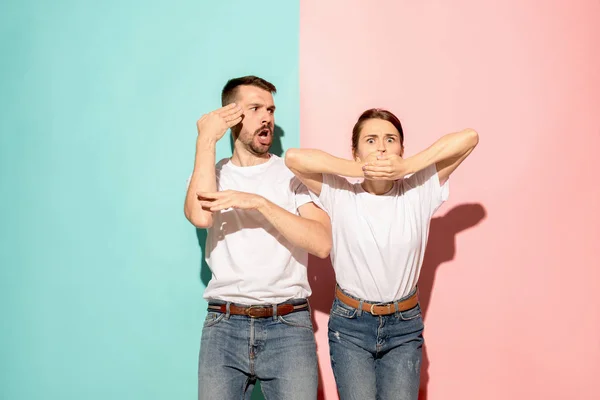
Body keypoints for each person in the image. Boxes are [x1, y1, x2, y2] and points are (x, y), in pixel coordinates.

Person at [284, 108, 479, 400]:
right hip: (350, 326)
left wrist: (408, 166)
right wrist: (358, 170)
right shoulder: (340, 192)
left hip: (404, 325)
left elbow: (469, 138)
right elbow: (293, 159)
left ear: (401, 148)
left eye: (391, 139)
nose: (382, 147)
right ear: (356, 151)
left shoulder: (419, 189)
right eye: (371, 140)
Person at [184, 75, 332, 400]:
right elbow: (199, 215)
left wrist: (259, 203)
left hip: (288, 325)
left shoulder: (292, 175)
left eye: (271, 109)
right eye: (255, 108)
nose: (267, 117)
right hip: (224, 325)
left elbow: (322, 242)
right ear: (232, 115)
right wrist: (205, 141)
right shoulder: (214, 174)